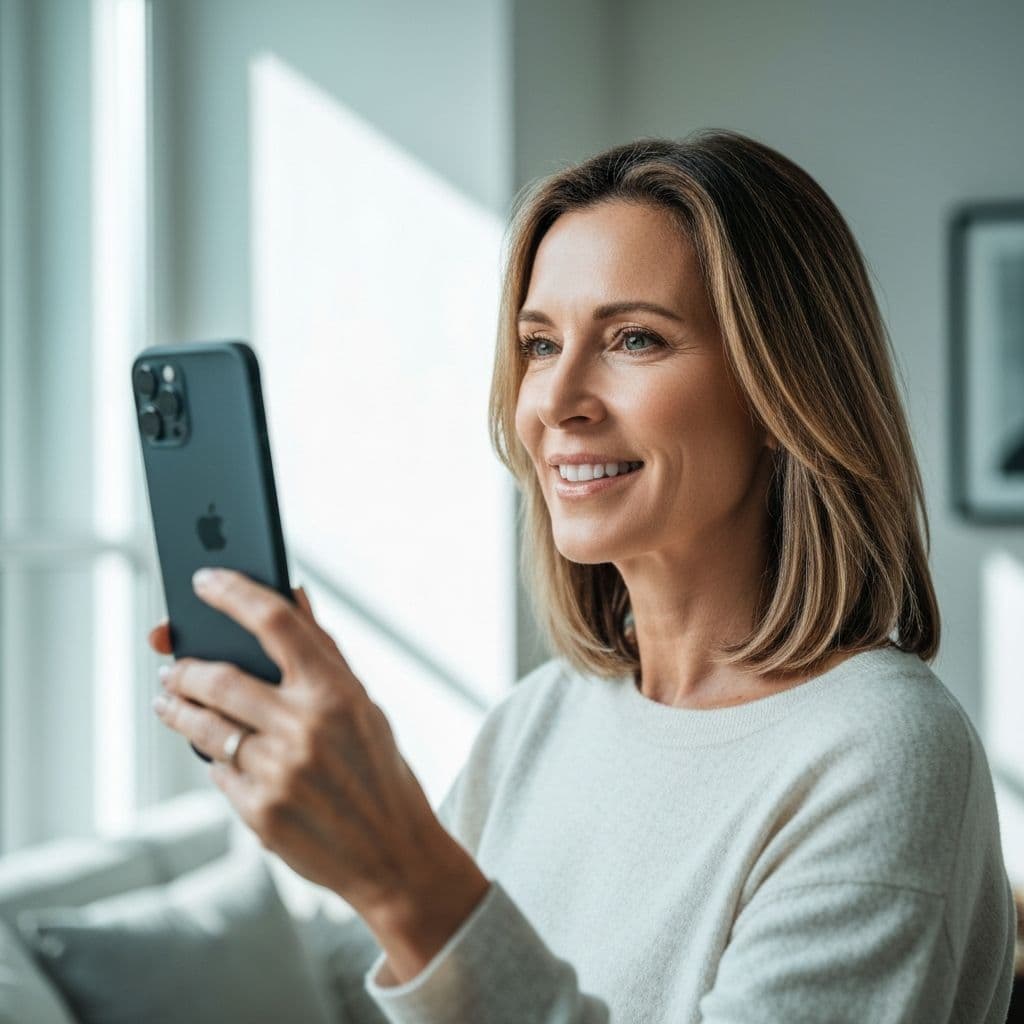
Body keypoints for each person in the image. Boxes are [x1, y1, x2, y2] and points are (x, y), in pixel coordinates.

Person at [148, 129, 1016, 1022]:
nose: (556, 403)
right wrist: (356, 853)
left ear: (778, 390)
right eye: (537, 344)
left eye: (634, 338)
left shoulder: (880, 749)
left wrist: (403, 874)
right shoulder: (537, 723)